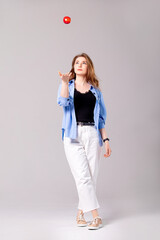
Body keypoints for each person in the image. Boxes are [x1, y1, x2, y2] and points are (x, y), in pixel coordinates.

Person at [57, 53, 112, 230]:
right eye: (77, 62)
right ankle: (96, 217)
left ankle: (81, 212)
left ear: (89, 67)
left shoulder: (96, 91)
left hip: (92, 134)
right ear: (73, 67)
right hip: (73, 135)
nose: (80, 65)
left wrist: (106, 139)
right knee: (83, 177)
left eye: (84, 63)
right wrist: (65, 82)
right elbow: (63, 102)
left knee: (91, 176)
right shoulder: (67, 85)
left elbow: (101, 118)